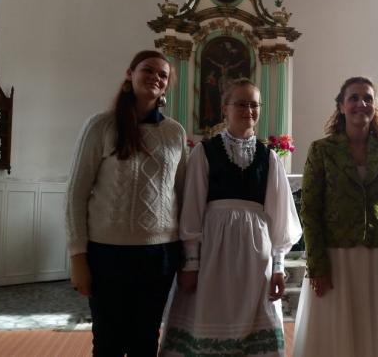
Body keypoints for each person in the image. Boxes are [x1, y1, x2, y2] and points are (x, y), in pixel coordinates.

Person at [160, 78, 302, 357]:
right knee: (211, 316)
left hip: (256, 258)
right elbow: (191, 210)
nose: (248, 110)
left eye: (254, 105)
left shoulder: (269, 157)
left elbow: (280, 218)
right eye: (241, 104)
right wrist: (191, 263)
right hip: (213, 257)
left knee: (255, 325)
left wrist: (277, 266)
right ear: (224, 108)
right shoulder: (205, 152)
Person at [65, 50, 188, 356]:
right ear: (130, 74)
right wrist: (78, 256)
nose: (156, 77)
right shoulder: (101, 126)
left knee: (145, 341)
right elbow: (76, 194)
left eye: (163, 75)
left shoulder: (174, 132)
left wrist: (187, 255)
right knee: (108, 343)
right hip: (108, 254)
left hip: (160, 254)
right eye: (148, 70)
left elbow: (183, 194)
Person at [292, 76, 378, 357]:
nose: (361, 104)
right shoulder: (322, 150)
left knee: (373, 331)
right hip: (334, 258)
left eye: (368, 98)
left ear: (375, 106)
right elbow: (310, 210)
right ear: (341, 106)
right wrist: (317, 265)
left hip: (375, 258)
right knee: (335, 331)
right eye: (354, 98)